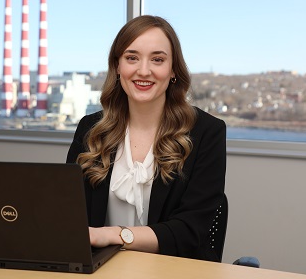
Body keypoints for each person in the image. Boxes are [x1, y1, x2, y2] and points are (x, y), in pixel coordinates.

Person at [66, 15, 226, 262]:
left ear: (173, 69)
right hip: (100, 269)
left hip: (174, 270)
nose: (143, 71)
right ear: (117, 66)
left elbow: (190, 231)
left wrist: (114, 235)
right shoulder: (91, 129)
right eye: (132, 58)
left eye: (157, 60)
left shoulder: (207, 132)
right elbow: (68, 213)